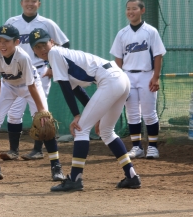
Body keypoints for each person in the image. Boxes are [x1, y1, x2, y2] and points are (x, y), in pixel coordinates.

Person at [30, 28, 142, 191]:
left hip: (110, 80)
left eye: (44, 44)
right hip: (120, 78)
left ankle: (75, 179)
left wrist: (77, 115)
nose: (42, 49)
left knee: (81, 129)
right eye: (37, 47)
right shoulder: (60, 56)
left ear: (52, 42)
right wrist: (96, 117)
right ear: (33, 50)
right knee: (106, 131)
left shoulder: (54, 53)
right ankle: (132, 176)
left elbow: (65, 87)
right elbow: (77, 90)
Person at [0, 24, 63, 183]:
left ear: (16, 42)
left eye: (7, 41)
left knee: (44, 123)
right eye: (0, 40)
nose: (2, 44)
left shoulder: (23, 57)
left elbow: (31, 85)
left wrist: (42, 111)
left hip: (30, 86)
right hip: (8, 86)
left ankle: (56, 166)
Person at [3, 0, 70, 161]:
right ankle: (13, 150)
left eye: (33, 0)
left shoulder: (47, 24)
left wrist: (54, 67)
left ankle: (38, 150)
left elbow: (64, 45)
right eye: (26, 0)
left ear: (39, 4)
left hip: (39, 71)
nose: (30, 3)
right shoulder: (12, 22)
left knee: (39, 112)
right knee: (14, 113)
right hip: (17, 75)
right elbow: (4, 46)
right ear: (21, 3)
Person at [110, 0, 166, 160]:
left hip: (146, 74)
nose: (130, 11)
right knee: (132, 113)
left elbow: (158, 55)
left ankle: (153, 147)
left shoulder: (151, 31)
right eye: (128, 8)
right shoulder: (122, 33)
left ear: (142, 10)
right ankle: (137, 147)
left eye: (134, 8)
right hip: (127, 75)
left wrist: (156, 77)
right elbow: (118, 59)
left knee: (149, 113)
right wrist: (118, 79)